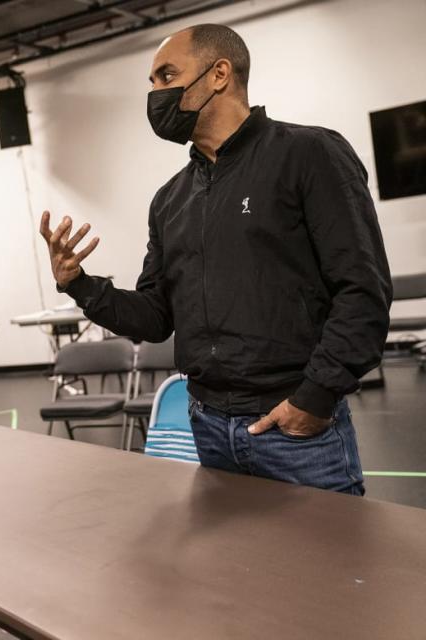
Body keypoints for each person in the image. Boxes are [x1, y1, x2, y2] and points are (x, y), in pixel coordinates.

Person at [40, 24, 392, 495]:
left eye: (166, 76)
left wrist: (315, 398)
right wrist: (79, 283)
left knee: (326, 568)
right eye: (151, 83)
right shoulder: (170, 200)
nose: (155, 94)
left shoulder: (309, 154)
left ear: (219, 74)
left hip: (293, 430)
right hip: (207, 428)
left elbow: (363, 289)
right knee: (234, 570)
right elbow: (155, 317)